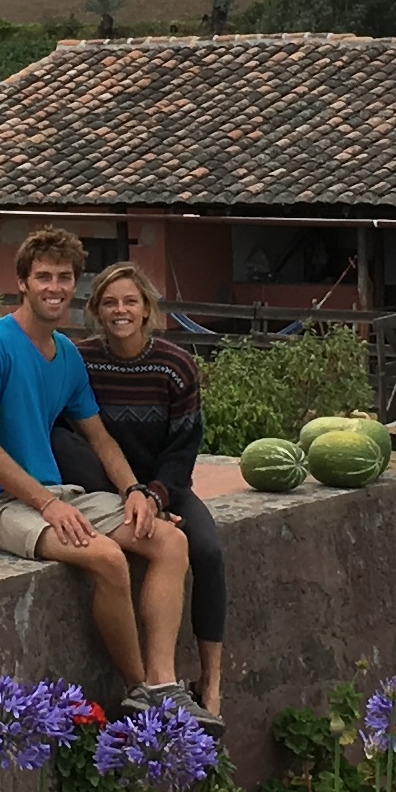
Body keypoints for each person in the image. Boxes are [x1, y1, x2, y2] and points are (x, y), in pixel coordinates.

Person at [0, 227, 201, 714]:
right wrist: (46, 504)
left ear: (74, 285)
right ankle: (141, 693)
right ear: (22, 282)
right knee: (107, 557)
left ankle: (163, 682)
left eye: (63, 277)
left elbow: (98, 436)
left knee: (169, 540)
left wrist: (134, 490)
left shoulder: (65, 354)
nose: (54, 286)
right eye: (42, 276)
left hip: (55, 494)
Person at [80, 263, 227, 718]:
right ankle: (153, 683)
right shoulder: (81, 361)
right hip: (106, 489)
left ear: (146, 309)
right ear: (97, 312)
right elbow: (75, 434)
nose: (120, 310)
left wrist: (156, 498)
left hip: (167, 487)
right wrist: (125, 494)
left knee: (207, 552)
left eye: (129, 301)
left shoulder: (176, 364)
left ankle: (212, 682)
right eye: (109, 303)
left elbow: (184, 447)